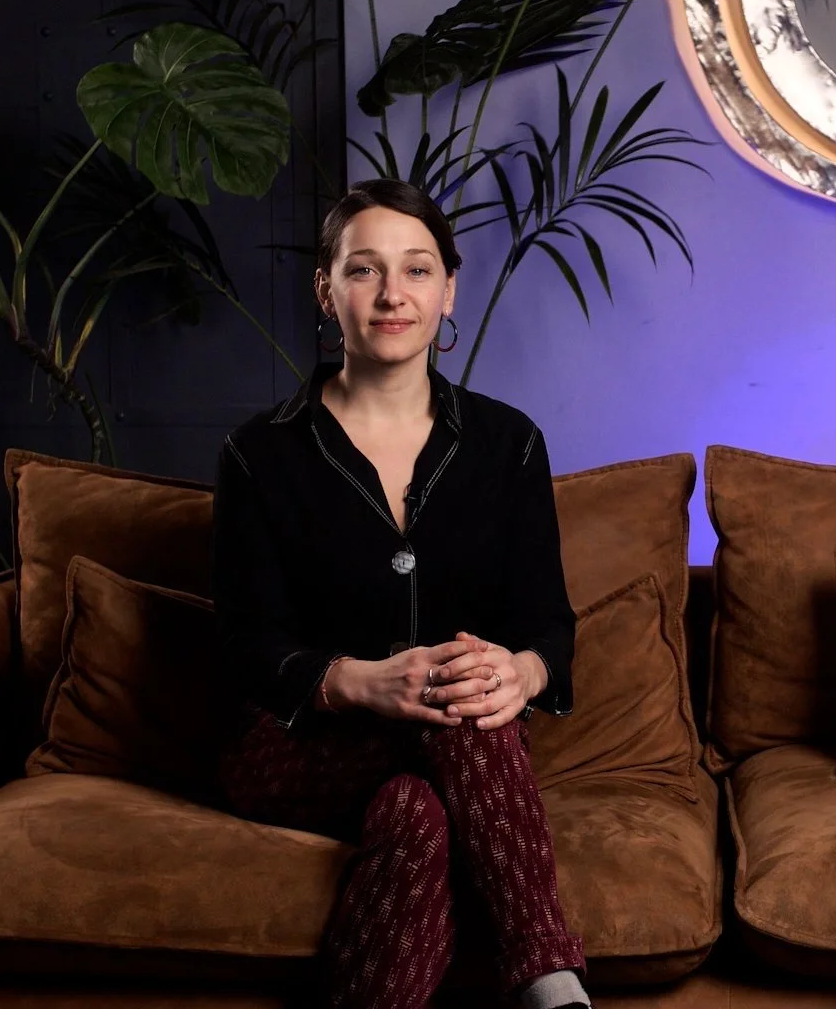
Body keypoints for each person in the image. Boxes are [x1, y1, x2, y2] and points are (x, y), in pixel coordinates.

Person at [211, 178, 590, 1009]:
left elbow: (547, 626)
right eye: (364, 270)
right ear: (326, 289)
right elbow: (243, 643)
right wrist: (352, 678)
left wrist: (517, 673)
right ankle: (553, 986)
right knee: (455, 707)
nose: (392, 295)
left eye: (417, 270)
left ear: (448, 290)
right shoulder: (259, 453)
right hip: (294, 747)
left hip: (459, 750)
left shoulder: (508, 444)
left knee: (418, 811)